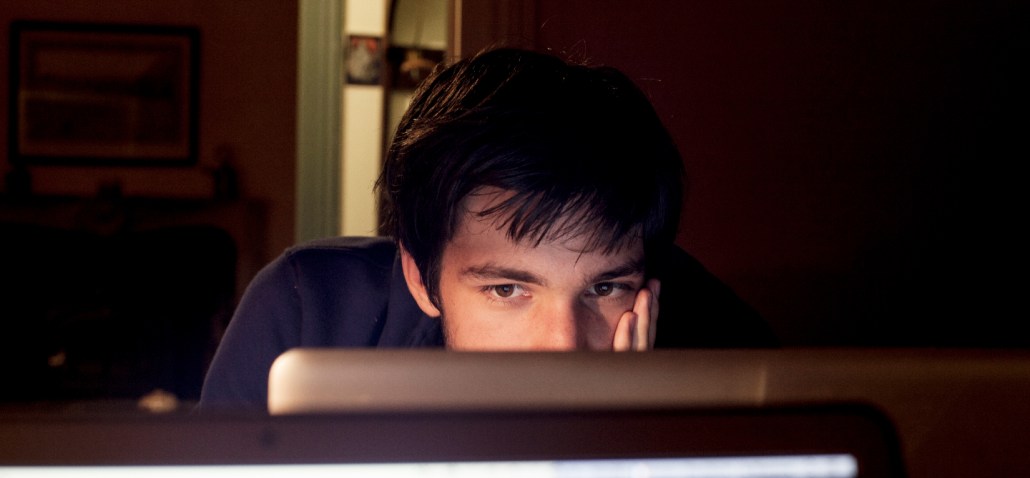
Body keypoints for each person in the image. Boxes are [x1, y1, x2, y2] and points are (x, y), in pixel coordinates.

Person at [199, 48, 776, 410]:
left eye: (604, 289)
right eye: (507, 290)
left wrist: (626, 435)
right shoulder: (307, 308)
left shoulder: (711, 333)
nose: (562, 346)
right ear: (420, 278)